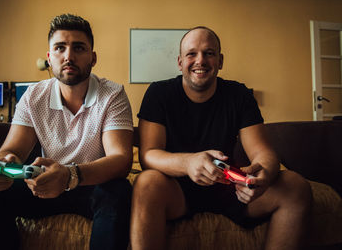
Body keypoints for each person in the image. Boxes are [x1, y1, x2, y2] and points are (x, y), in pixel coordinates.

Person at [131, 26, 312, 250]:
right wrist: (189, 163)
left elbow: (264, 153)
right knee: (145, 183)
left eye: (209, 53)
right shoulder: (159, 93)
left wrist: (262, 177)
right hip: (175, 189)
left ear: (220, 60)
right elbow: (148, 156)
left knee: (295, 186)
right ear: (180, 62)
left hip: (228, 188)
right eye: (191, 54)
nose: (201, 60)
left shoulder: (239, 95)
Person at [0, 14, 134, 250]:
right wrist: (4, 165)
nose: (68, 56)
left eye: (79, 48)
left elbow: (121, 160)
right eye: (60, 48)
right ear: (49, 58)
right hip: (42, 183)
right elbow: (12, 149)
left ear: (93, 58)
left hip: (91, 185)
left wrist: (69, 175)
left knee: (119, 191)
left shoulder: (112, 95)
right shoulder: (33, 96)